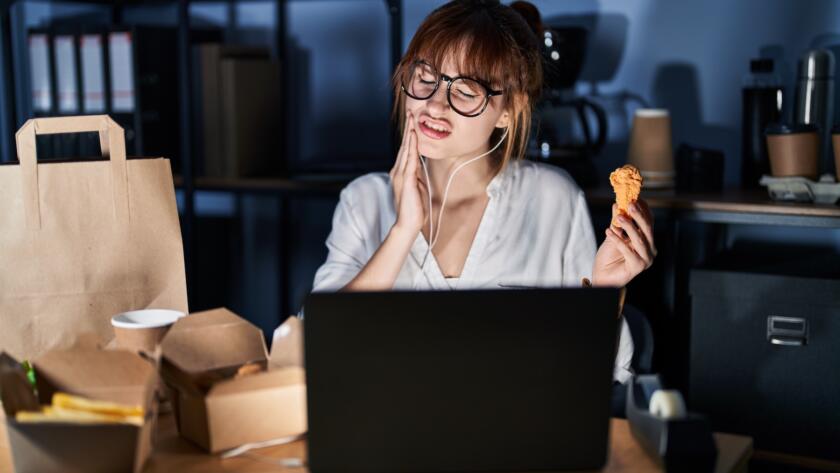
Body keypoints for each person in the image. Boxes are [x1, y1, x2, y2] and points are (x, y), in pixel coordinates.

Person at [294, 0, 656, 384]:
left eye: (466, 90)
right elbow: (312, 349)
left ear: (509, 111)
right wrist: (402, 231)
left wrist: (604, 290)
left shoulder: (554, 199)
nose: (434, 104)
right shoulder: (362, 201)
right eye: (426, 77)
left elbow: (602, 376)